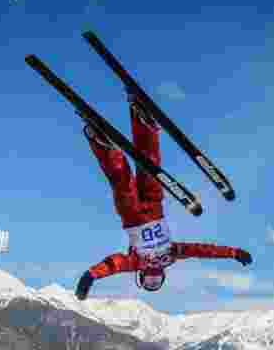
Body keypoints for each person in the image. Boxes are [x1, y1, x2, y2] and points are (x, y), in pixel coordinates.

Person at [74, 96, 252, 300]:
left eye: (149, 282)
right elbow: (201, 250)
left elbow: (115, 264)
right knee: (150, 168)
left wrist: (91, 275)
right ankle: (144, 125)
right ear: (163, 277)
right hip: (154, 206)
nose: (153, 278)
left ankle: (104, 144)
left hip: (132, 215)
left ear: (141, 277)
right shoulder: (171, 255)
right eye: (156, 283)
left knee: (121, 179)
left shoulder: (136, 262)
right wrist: (232, 252)